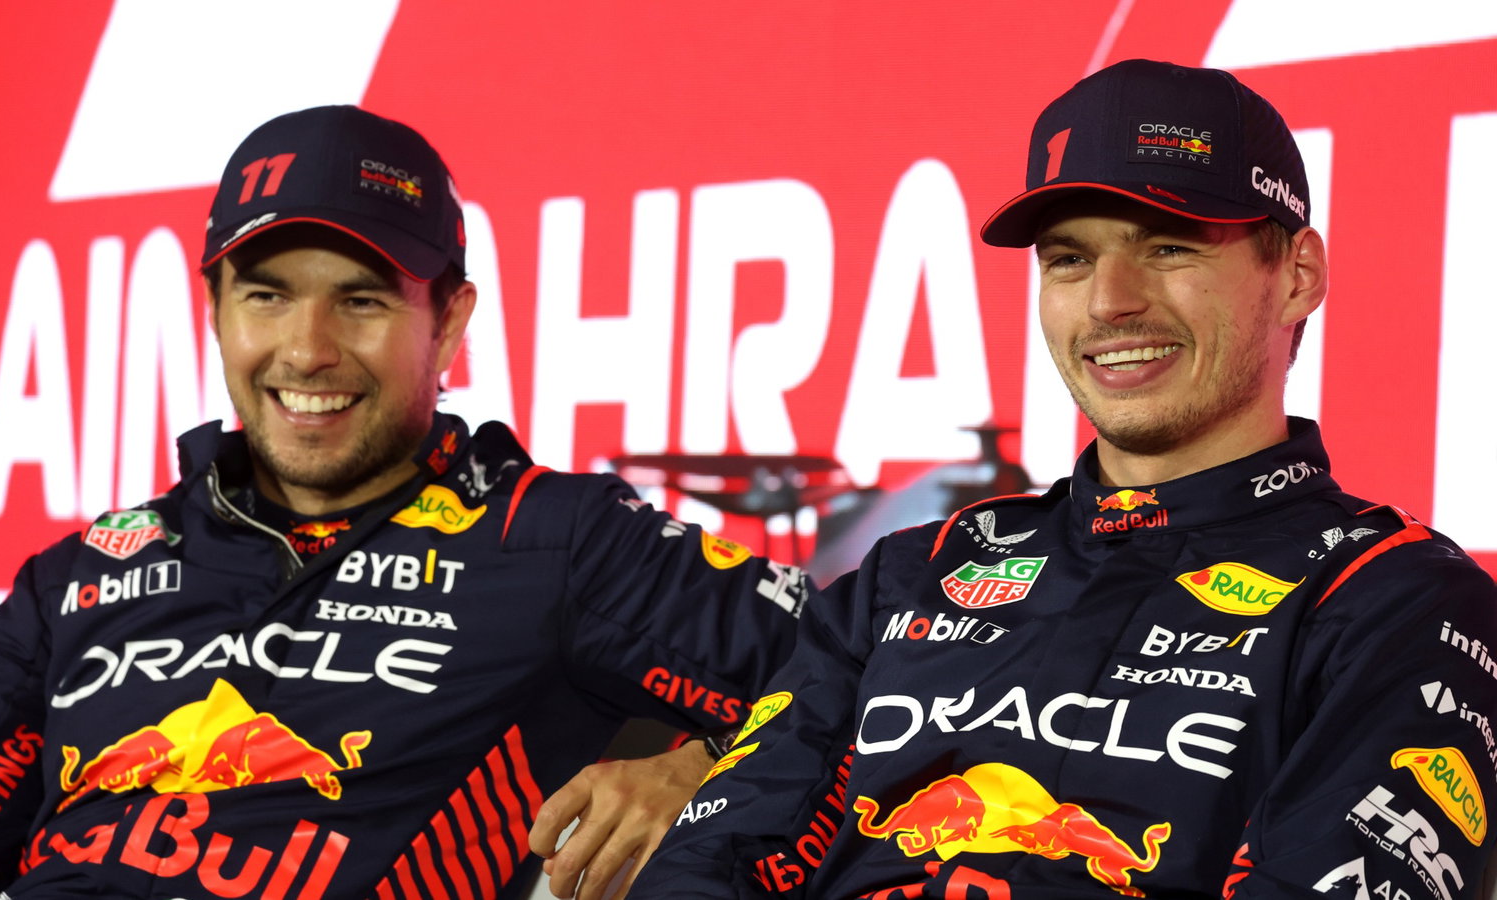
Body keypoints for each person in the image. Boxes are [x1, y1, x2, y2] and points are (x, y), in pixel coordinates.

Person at [628, 59, 1497, 899]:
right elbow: (720, 855)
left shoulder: (1394, 597)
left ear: (1297, 276)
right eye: (1067, 260)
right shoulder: (909, 573)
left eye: (1168, 246)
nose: (1110, 301)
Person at [0, 105, 811, 900]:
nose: (307, 351)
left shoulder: (553, 539)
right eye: (267, 296)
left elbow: (872, 665)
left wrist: (702, 771)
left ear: (448, 320)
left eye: (362, 302)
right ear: (216, 307)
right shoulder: (81, 576)